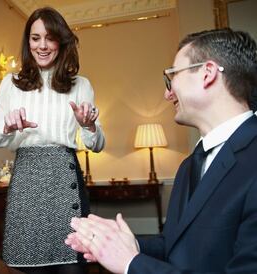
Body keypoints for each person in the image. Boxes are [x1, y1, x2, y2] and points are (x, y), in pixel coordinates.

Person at [65, 28, 257, 274]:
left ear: (207, 73)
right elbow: (174, 245)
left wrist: (130, 263)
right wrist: (128, 245)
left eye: (172, 77)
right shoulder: (190, 165)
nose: (167, 94)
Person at [0, 7, 105, 274]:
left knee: (72, 267)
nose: (42, 45)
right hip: (27, 182)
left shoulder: (81, 85)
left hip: (65, 180)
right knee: (27, 267)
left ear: (60, 41)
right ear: (28, 41)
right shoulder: (11, 83)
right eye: (35, 38)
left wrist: (89, 125)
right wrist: (7, 126)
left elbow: (97, 144)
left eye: (50, 38)